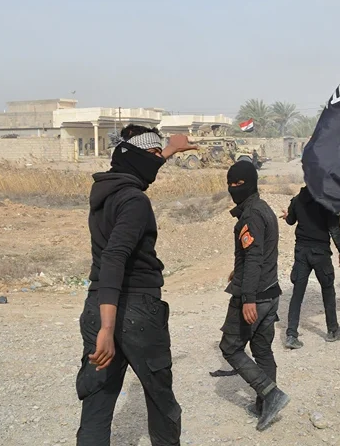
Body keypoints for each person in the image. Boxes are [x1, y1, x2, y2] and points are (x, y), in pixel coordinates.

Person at [75, 124, 196, 445]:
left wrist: (169, 148)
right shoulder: (134, 201)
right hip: (137, 312)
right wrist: (107, 329)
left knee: (96, 409)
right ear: (135, 157)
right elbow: (115, 257)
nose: (158, 161)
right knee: (162, 405)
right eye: (154, 155)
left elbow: (142, 162)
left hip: (98, 303)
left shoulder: (105, 193)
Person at [219, 160, 290, 431]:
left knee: (230, 348)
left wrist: (247, 296)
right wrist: (236, 273)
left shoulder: (251, 215)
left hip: (256, 297)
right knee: (261, 349)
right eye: (231, 184)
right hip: (270, 292)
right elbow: (256, 254)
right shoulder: (264, 208)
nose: (234, 188)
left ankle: (270, 394)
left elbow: (255, 255)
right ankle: (264, 405)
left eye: (238, 184)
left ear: (250, 182)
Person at [280, 186, 340, 349]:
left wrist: (286, 216)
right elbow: (334, 229)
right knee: (327, 288)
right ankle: (332, 330)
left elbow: (291, 221)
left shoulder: (297, 199)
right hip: (320, 253)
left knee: (297, 293)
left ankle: (291, 335)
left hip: (301, 251)